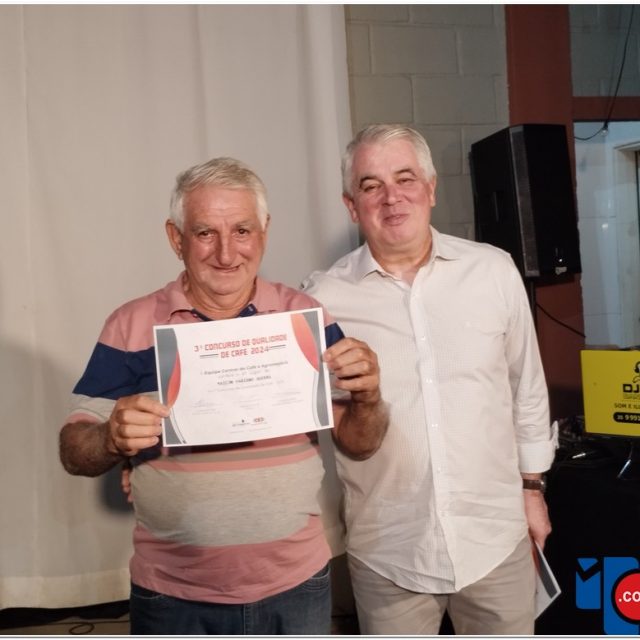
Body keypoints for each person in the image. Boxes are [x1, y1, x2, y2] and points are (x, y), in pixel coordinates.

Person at [59, 156, 388, 635]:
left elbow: (360, 443)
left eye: (242, 231)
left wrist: (369, 398)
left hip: (297, 584)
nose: (226, 253)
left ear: (264, 233)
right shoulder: (130, 324)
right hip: (172, 594)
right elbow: (74, 450)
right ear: (176, 238)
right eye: (205, 233)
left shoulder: (305, 318)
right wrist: (110, 437)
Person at [302, 124, 558, 635]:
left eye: (406, 178)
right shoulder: (322, 299)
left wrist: (533, 489)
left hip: (495, 540)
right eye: (371, 185)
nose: (391, 197)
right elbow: (316, 421)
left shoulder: (494, 272)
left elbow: (526, 388)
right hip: (388, 551)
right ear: (352, 206)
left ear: (432, 188)